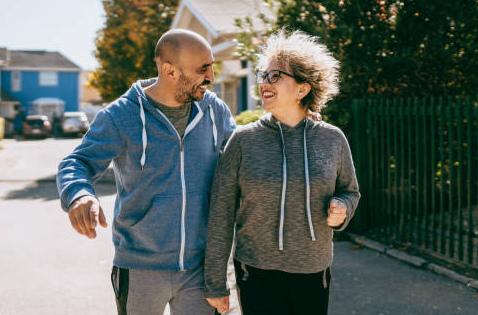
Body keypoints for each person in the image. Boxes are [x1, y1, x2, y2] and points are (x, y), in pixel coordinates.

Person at [56, 29, 236, 315]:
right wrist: (79, 195)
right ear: (170, 71)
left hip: (199, 268)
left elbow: (244, 154)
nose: (211, 77)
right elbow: (77, 162)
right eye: (204, 68)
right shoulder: (120, 116)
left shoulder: (215, 111)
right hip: (139, 265)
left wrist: (298, 119)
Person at [204, 30, 360, 315]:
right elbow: (221, 213)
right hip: (256, 271)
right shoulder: (242, 141)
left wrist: (343, 209)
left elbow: (350, 191)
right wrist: (215, 283)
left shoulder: (332, 139)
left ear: (303, 89)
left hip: (313, 271)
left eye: (275, 76)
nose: (264, 82)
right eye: (263, 75)